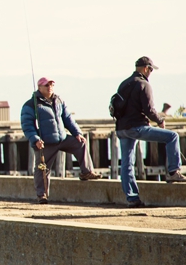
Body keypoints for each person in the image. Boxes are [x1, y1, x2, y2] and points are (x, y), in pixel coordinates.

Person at [114, 56, 186, 208]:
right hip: (136, 127)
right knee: (172, 136)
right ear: (146, 68)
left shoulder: (124, 84)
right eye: (151, 69)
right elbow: (149, 110)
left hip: (122, 129)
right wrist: (160, 120)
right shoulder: (143, 84)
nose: (151, 72)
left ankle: (132, 198)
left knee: (127, 164)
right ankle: (174, 172)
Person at [20, 77, 101, 204]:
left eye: (51, 85)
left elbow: (68, 118)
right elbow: (27, 125)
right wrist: (35, 139)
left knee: (80, 144)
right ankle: (42, 195)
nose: (49, 87)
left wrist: (77, 133)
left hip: (61, 138)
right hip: (45, 142)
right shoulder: (31, 104)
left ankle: (86, 172)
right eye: (46, 85)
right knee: (42, 169)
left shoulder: (58, 100)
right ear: (39, 87)